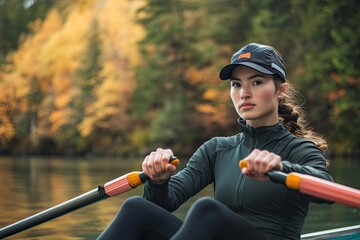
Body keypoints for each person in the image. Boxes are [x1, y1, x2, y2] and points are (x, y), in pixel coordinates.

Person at [97, 43, 333, 240]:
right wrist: (158, 181)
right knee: (136, 208)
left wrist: (282, 169)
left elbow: (327, 191)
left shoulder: (300, 148)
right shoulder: (217, 149)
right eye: (236, 84)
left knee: (207, 210)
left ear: (280, 90)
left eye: (257, 82)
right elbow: (164, 203)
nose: (244, 93)